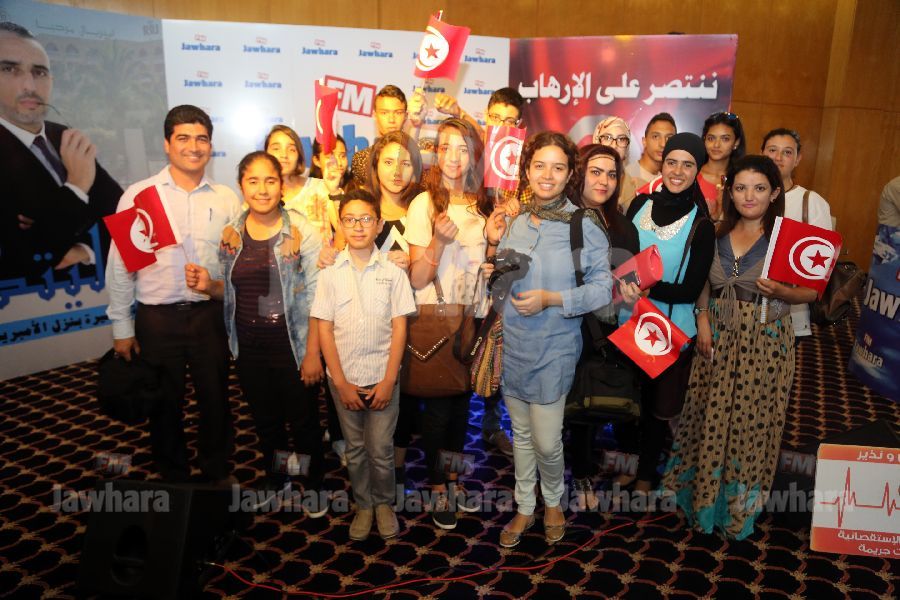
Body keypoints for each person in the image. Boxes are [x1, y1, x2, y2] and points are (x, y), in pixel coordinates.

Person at [661, 155, 816, 539]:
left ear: (774, 192)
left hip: (764, 342)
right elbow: (702, 281)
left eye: (759, 188)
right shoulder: (714, 232)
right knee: (709, 416)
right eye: (741, 187)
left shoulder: (788, 239)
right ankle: (701, 502)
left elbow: (811, 291)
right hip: (716, 335)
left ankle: (735, 510)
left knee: (749, 424)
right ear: (730, 192)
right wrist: (702, 319)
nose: (750, 196)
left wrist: (781, 291)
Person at [484, 131, 612, 547]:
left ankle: (553, 501)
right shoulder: (515, 221)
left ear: (570, 173)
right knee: (521, 435)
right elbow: (501, 285)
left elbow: (602, 290)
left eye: (558, 167)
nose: (547, 175)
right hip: (514, 345)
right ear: (526, 169)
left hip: (556, 346)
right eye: (539, 165)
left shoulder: (583, 225)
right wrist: (493, 273)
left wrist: (552, 299)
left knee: (546, 439)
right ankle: (525, 507)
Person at [184, 151, 327, 513]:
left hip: (293, 347)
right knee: (266, 422)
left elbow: (317, 298)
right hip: (247, 347)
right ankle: (277, 478)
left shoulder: (302, 231)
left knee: (304, 423)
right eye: (253, 181)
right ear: (241, 186)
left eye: (270, 180)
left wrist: (313, 353)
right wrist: (208, 286)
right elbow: (228, 290)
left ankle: (313, 483)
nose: (262, 189)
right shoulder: (231, 233)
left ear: (282, 186)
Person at [106, 105, 241, 483]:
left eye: (201, 139)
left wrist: (216, 284)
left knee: (216, 399)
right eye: (183, 138)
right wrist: (122, 327)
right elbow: (121, 266)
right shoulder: (139, 195)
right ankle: (173, 477)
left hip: (208, 316)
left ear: (210, 145)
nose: (193, 147)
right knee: (164, 404)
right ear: (167, 144)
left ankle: (216, 470)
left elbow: (234, 262)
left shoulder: (227, 198)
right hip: (158, 319)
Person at [312, 189, 417, 540]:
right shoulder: (329, 273)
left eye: (366, 219)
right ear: (340, 224)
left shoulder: (393, 272)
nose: (358, 226)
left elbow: (400, 328)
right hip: (344, 379)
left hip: (382, 377)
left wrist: (389, 380)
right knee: (355, 449)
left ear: (379, 224)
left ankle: (384, 503)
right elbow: (324, 328)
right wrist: (340, 382)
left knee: (381, 449)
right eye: (350, 219)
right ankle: (364, 503)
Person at [405, 117, 492, 530]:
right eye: (445, 148)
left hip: (473, 317)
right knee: (439, 410)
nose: (454, 157)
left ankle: (455, 481)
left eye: (463, 148)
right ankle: (439, 487)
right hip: (437, 319)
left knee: (462, 409)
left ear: (474, 154)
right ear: (436, 154)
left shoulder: (481, 203)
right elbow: (417, 278)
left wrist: (494, 243)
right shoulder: (424, 204)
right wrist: (438, 242)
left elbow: (484, 263)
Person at [621, 133, 716, 497]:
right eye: (672, 162)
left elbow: (690, 289)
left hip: (668, 329)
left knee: (657, 409)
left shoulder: (701, 225)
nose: (678, 171)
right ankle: (628, 465)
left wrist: (647, 288)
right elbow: (621, 257)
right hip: (628, 319)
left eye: (688, 165)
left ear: (697, 171)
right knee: (629, 402)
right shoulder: (639, 204)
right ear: (661, 165)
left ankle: (646, 475)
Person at [0, 21, 122, 283]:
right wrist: (77, 186)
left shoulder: (64, 136)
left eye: (39, 72)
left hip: (98, 295)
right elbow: (26, 256)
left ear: (51, 81)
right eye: (9, 69)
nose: (29, 85)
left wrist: (85, 249)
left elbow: (126, 220)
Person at [567, 144, 641, 511]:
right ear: (579, 173)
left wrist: (630, 295)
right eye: (595, 172)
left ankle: (586, 471)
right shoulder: (560, 219)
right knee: (560, 410)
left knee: (589, 404)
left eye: (612, 174)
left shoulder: (624, 228)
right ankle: (564, 475)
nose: (604, 181)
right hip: (561, 325)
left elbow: (630, 282)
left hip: (603, 329)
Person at [761, 128, 833, 338]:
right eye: (772, 150)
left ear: (798, 159)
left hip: (790, 317)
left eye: (787, 152)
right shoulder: (747, 196)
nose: (778, 157)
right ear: (761, 153)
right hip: (742, 309)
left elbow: (817, 273)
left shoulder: (811, 202)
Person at [264, 125, 339, 246]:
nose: (284, 155)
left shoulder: (320, 188)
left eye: (291, 149)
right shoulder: (259, 197)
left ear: (299, 156)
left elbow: (346, 231)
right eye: (276, 148)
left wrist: (334, 191)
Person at [351, 85, 409, 187]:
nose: (391, 120)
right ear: (375, 115)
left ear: (406, 115)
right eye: (384, 113)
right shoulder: (362, 158)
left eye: (398, 113)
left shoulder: (417, 154)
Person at [699, 111, 746, 219]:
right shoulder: (692, 175)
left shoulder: (742, 179)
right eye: (711, 138)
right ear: (704, 140)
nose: (716, 145)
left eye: (725, 139)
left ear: (736, 142)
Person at [592, 116, 638, 212]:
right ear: (597, 141)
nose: (614, 145)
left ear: (627, 147)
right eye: (607, 138)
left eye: (621, 139)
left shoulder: (637, 187)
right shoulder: (583, 181)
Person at [625, 112, 676, 192]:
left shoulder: (672, 179)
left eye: (669, 138)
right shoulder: (627, 176)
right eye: (655, 137)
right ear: (644, 141)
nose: (663, 144)